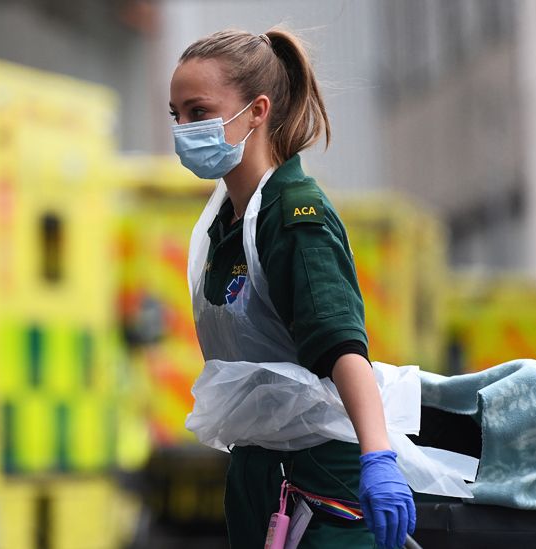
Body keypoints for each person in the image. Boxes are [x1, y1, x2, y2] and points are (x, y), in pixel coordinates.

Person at [169, 29, 417, 549]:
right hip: (261, 472)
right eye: (177, 116)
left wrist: (378, 457)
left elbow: (341, 345)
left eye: (198, 112)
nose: (184, 130)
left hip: (322, 476)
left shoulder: (293, 215)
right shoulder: (223, 221)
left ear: (257, 111)